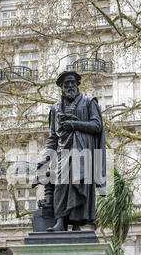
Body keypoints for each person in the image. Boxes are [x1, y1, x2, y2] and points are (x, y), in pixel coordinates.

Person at [34, 70, 106, 232]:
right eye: (66, 83)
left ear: (78, 84)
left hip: (83, 152)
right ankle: (60, 221)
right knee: (60, 184)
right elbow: (53, 137)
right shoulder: (55, 108)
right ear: (61, 87)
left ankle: (76, 224)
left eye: (73, 82)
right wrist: (46, 157)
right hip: (62, 152)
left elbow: (97, 126)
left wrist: (75, 124)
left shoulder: (89, 102)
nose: (70, 86)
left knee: (79, 184)